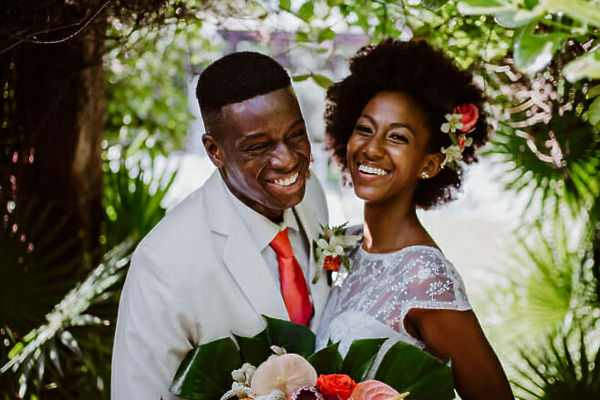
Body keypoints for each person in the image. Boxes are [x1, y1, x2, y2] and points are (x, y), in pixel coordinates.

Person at [112, 52, 330, 400]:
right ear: (215, 151)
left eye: (296, 135)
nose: (287, 159)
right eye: (259, 147)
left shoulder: (311, 193)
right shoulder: (163, 264)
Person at [315, 39, 514, 399]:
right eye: (364, 128)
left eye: (397, 137)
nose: (372, 148)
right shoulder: (347, 246)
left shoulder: (425, 277)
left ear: (429, 164)